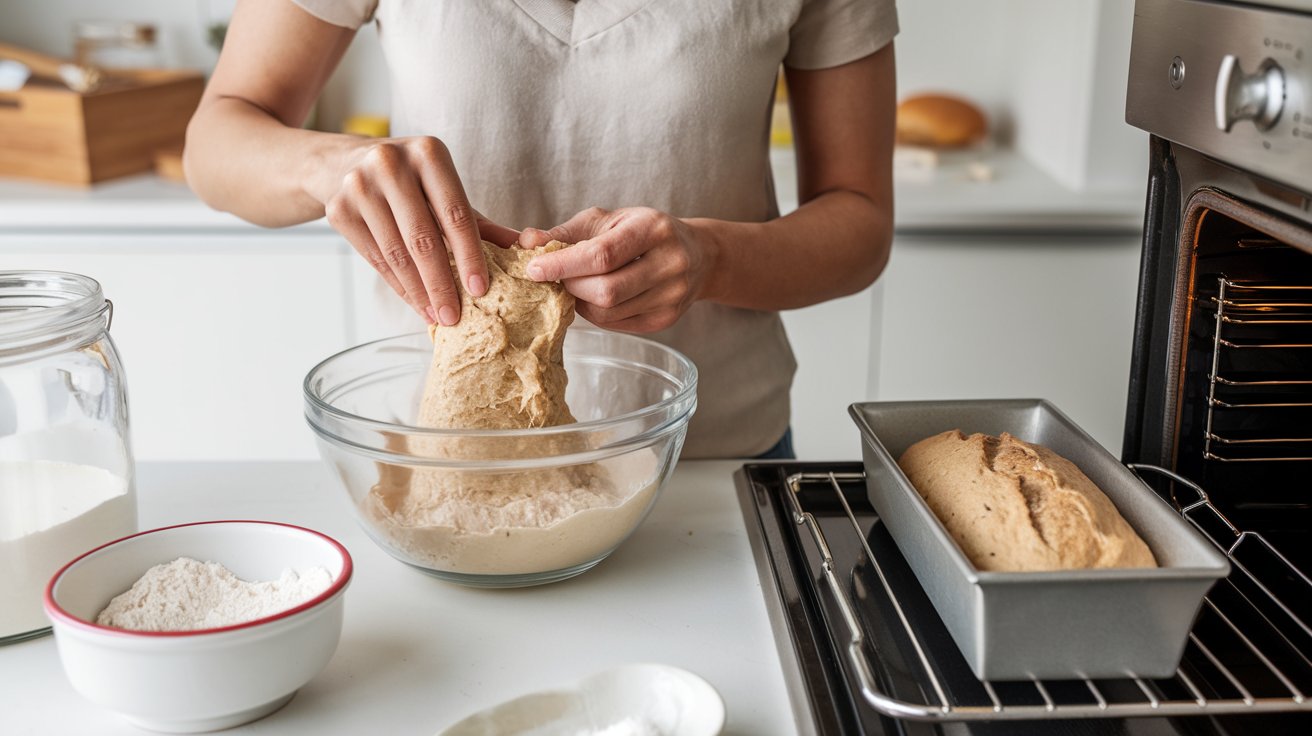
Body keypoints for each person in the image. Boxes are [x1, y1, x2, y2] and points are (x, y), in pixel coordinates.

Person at [185, 0, 898, 459]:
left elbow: (859, 219)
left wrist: (711, 258)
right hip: (445, 450)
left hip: (709, 456)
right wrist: (330, 166)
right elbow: (216, 140)